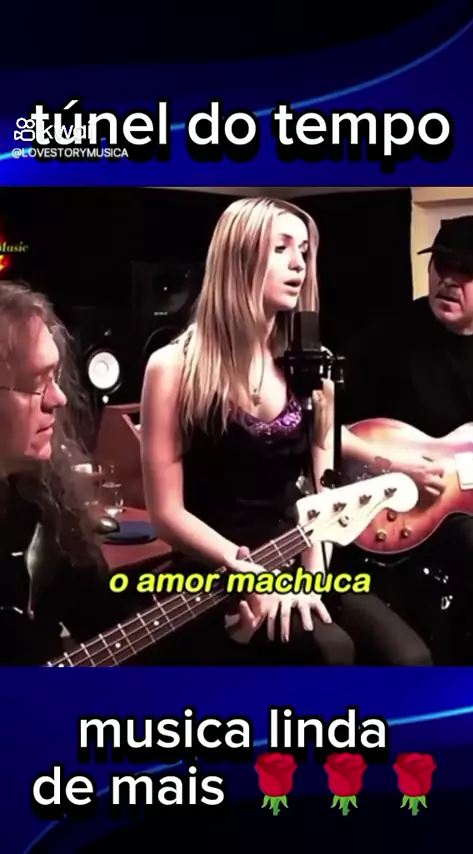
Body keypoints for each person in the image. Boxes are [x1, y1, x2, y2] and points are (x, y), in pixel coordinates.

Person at [140, 196, 432, 665]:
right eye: (281, 249)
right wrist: (254, 574)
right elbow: (166, 513)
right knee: (330, 652)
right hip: (220, 565)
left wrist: (310, 580)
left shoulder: (311, 366)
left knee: (410, 660)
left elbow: (323, 493)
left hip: (302, 554)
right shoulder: (172, 367)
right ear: (239, 259)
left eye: (304, 251)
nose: (299, 263)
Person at [0, 279, 258, 666]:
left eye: (54, 377)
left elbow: (110, 629)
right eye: (36, 383)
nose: (59, 398)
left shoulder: (41, 505)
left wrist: (224, 630)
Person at [340, 215, 473, 663]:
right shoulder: (389, 338)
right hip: (399, 509)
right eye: (441, 265)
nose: (449, 281)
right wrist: (395, 465)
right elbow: (327, 428)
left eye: (466, 270)